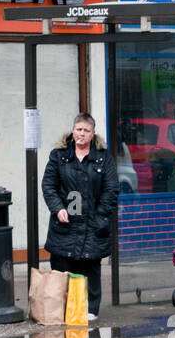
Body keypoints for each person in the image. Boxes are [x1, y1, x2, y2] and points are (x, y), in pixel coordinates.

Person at [41, 113, 118, 321]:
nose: (81, 134)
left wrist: (100, 214)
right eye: (78, 129)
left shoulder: (104, 157)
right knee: (61, 266)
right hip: (65, 223)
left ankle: (90, 308)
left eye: (86, 130)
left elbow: (111, 189)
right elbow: (49, 185)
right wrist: (58, 208)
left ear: (93, 134)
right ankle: (63, 306)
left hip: (93, 222)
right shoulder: (59, 156)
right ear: (73, 130)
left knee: (90, 266)